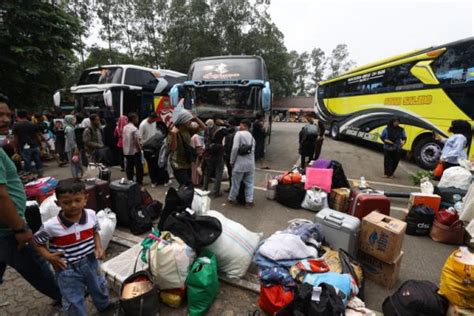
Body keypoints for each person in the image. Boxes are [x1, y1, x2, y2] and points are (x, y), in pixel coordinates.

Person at [0, 96, 62, 306]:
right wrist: (19, 228)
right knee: (36, 266)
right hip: (9, 230)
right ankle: (64, 297)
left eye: (8, 114)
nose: (6, 119)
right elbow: (0, 194)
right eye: (0, 115)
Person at [33, 179, 112, 315]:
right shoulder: (51, 226)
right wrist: (49, 257)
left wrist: (99, 247)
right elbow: (36, 242)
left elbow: (95, 232)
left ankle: (105, 308)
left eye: (77, 200)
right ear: (58, 203)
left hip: (91, 262)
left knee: (99, 287)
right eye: (66, 202)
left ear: (85, 199)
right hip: (67, 269)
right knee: (73, 299)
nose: (73, 205)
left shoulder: (91, 215)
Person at [168, 110, 206, 186]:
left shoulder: (187, 130)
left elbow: (205, 128)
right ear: (183, 122)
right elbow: (172, 148)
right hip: (177, 164)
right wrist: (174, 135)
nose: (191, 122)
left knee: (186, 186)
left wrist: (195, 118)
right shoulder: (173, 132)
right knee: (186, 185)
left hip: (187, 162)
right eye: (189, 121)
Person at [228, 119, 255, 208]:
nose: (239, 127)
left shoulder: (238, 134)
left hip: (239, 164)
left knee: (236, 183)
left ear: (244, 125)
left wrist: (232, 161)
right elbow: (252, 150)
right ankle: (249, 202)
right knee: (249, 184)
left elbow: (235, 148)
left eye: (241, 125)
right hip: (250, 164)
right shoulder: (252, 137)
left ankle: (232, 199)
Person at [12, 110, 44, 176]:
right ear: (26, 116)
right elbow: (37, 136)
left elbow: (16, 138)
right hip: (35, 145)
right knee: (38, 160)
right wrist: (41, 145)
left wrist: (15, 148)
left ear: (18, 116)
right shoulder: (32, 124)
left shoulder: (16, 125)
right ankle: (40, 174)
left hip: (24, 147)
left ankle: (30, 175)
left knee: (27, 162)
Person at [203, 117, 229, 197]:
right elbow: (230, 131)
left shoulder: (207, 129)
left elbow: (205, 140)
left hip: (209, 152)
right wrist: (224, 123)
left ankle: (204, 189)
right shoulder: (221, 130)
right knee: (219, 173)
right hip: (218, 153)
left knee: (207, 172)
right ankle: (215, 192)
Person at [139, 112, 160, 187]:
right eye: (154, 120)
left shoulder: (154, 123)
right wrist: (141, 148)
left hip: (155, 145)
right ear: (150, 118)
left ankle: (158, 179)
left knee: (157, 163)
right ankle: (153, 181)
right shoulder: (143, 125)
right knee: (151, 165)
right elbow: (140, 137)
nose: (154, 122)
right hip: (147, 147)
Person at [123, 112, 143, 185]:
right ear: (133, 119)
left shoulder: (125, 127)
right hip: (134, 151)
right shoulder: (134, 129)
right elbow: (136, 141)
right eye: (137, 118)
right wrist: (139, 149)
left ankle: (130, 180)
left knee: (129, 166)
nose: (138, 120)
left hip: (126, 151)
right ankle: (139, 181)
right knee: (139, 167)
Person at [64, 115, 83, 179]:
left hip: (72, 147)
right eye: (72, 119)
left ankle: (78, 175)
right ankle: (75, 177)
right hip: (72, 148)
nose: (74, 121)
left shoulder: (70, 127)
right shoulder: (69, 128)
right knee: (73, 163)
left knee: (76, 162)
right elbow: (71, 140)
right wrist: (75, 148)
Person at [223, 117, 238, 193]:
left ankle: (232, 188)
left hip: (230, 156)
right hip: (237, 156)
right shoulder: (238, 132)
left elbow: (227, 147)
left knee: (231, 173)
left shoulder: (228, 134)